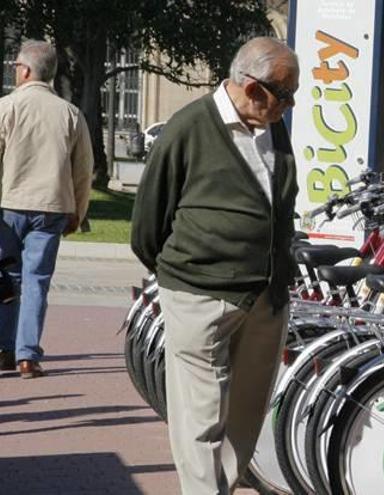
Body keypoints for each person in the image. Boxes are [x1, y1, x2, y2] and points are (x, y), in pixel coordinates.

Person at [131, 37, 299, 494]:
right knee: (200, 420)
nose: (291, 104)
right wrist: (186, 278)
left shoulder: (272, 128)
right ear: (252, 86)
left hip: (265, 297)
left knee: (245, 417)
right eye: (285, 94)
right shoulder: (189, 127)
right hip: (200, 295)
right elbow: (147, 222)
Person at [0, 40, 93, 378]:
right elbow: (83, 171)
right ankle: (28, 355)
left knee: (6, 280)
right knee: (36, 281)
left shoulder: (6, 107)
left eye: (15, 67)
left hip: (9, 207)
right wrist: (77, 212)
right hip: (52, 208)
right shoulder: (70, 114)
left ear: (25, 70)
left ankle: (4, 348)